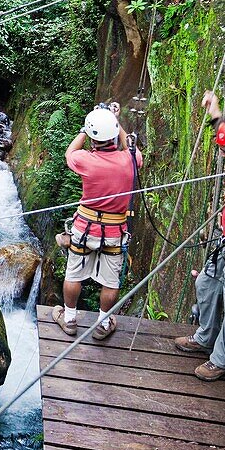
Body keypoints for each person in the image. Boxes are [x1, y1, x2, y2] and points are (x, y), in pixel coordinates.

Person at [51, 104, 142, 340]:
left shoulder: (85, 160)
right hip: (114, 231)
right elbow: (131, 147)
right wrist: (115, 120)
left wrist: (86, 128)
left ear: (93, 139)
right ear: (113, 135)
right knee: (110, 282)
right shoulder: (129, 161)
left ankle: (69, 318)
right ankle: (103, 323)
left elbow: (70, 152)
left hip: (85, 228)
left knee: (74, 274)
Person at [174, 90, 225, 381]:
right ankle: (205, 337)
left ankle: (221, 360)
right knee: (207, 283)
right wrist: (215, 109)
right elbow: (223, 128)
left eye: (224, 152)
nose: (222, 156)